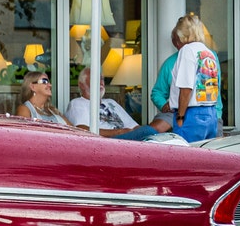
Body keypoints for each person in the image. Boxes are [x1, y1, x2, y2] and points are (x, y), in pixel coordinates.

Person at [149, 25, 223, 134]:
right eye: (175, 40)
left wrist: (180, 117)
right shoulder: (170, 63)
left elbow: (191, 89)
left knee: (211, 145)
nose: (178, 43)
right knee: (155, 129)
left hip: (207, 111)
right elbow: (157, 92)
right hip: (176, 111)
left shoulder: (209, 56)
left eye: (179, 39)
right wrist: (165, 105)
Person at [66, 67, 161, 141]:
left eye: (102, 79)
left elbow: (134, 126)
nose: (101, 82)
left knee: (157, 135)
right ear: (81, 85)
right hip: (107, 143)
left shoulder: (111, 102)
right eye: (95, 79)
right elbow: (82, 130)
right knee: (149, 131)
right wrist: (118, 132)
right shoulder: (77, 103)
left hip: (127, 141)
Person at [167, 13, 221, 141]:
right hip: (211, 113)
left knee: (185, 157)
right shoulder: (208, 53)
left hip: (191, 115)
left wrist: (180, 116)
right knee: (205, 158)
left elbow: (186, 87)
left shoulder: (187, 50)